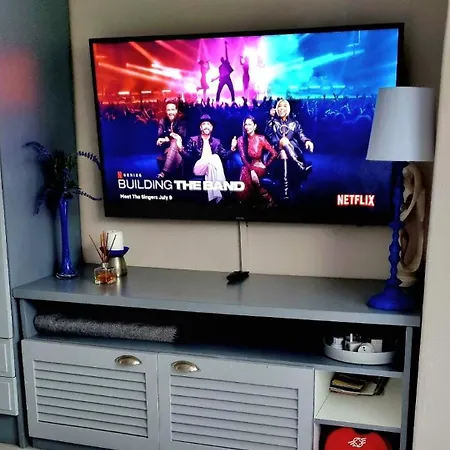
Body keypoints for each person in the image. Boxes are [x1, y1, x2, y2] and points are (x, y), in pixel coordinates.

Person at [265, 98, 314, 199]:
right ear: (276, 109)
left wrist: (307, 141)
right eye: (279, 106)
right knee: (283, 141)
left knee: (284, 152)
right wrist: (271, 118)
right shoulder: (272, 122)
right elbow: (268, 136)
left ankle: (285, 191)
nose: (281, 108)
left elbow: (301, 134)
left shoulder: (294, 122)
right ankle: (301, 167)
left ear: (288, 109)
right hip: (276, 148)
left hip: (291, 149)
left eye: (284, 106)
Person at [184, 114, 232, 203]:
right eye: (204, 124)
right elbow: (188, 156)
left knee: (211, 165)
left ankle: (215, 198)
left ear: (212, 128)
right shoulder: (193, 140)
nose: (206, 126)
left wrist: (232, 149)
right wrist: (181, 150)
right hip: (198, 168)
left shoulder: (217, 142)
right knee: (215, 157)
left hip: (210, 168)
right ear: (200, 127)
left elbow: (224, 156)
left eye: (209, 124)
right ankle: (223, 184)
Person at [231, 116, 277, 205]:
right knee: (244, 170)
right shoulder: (241, 140)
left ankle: (242, 202)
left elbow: (274, 153)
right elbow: (243, 158)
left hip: (259, 167)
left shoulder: (260, 138)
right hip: (248, 166)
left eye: (249, 124)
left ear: (255, 126)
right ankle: (267, 198)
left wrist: (266, 165)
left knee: (244, 171)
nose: (247, 127)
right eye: (245, 124)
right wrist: (251, 170)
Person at [156, 101, 186, 179]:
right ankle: (167, 172)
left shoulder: (182, 121)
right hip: (167, 150)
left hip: (180, 150)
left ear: (176, 110)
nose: (170, 112)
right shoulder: (162, 121)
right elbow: (159, 136)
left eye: (172, 110)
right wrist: (170, 136)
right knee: (174, 142)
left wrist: (166, 138)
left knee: (174, 142)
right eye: (168, 110)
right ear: (166, 111)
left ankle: (164, 172)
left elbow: (181, 136)